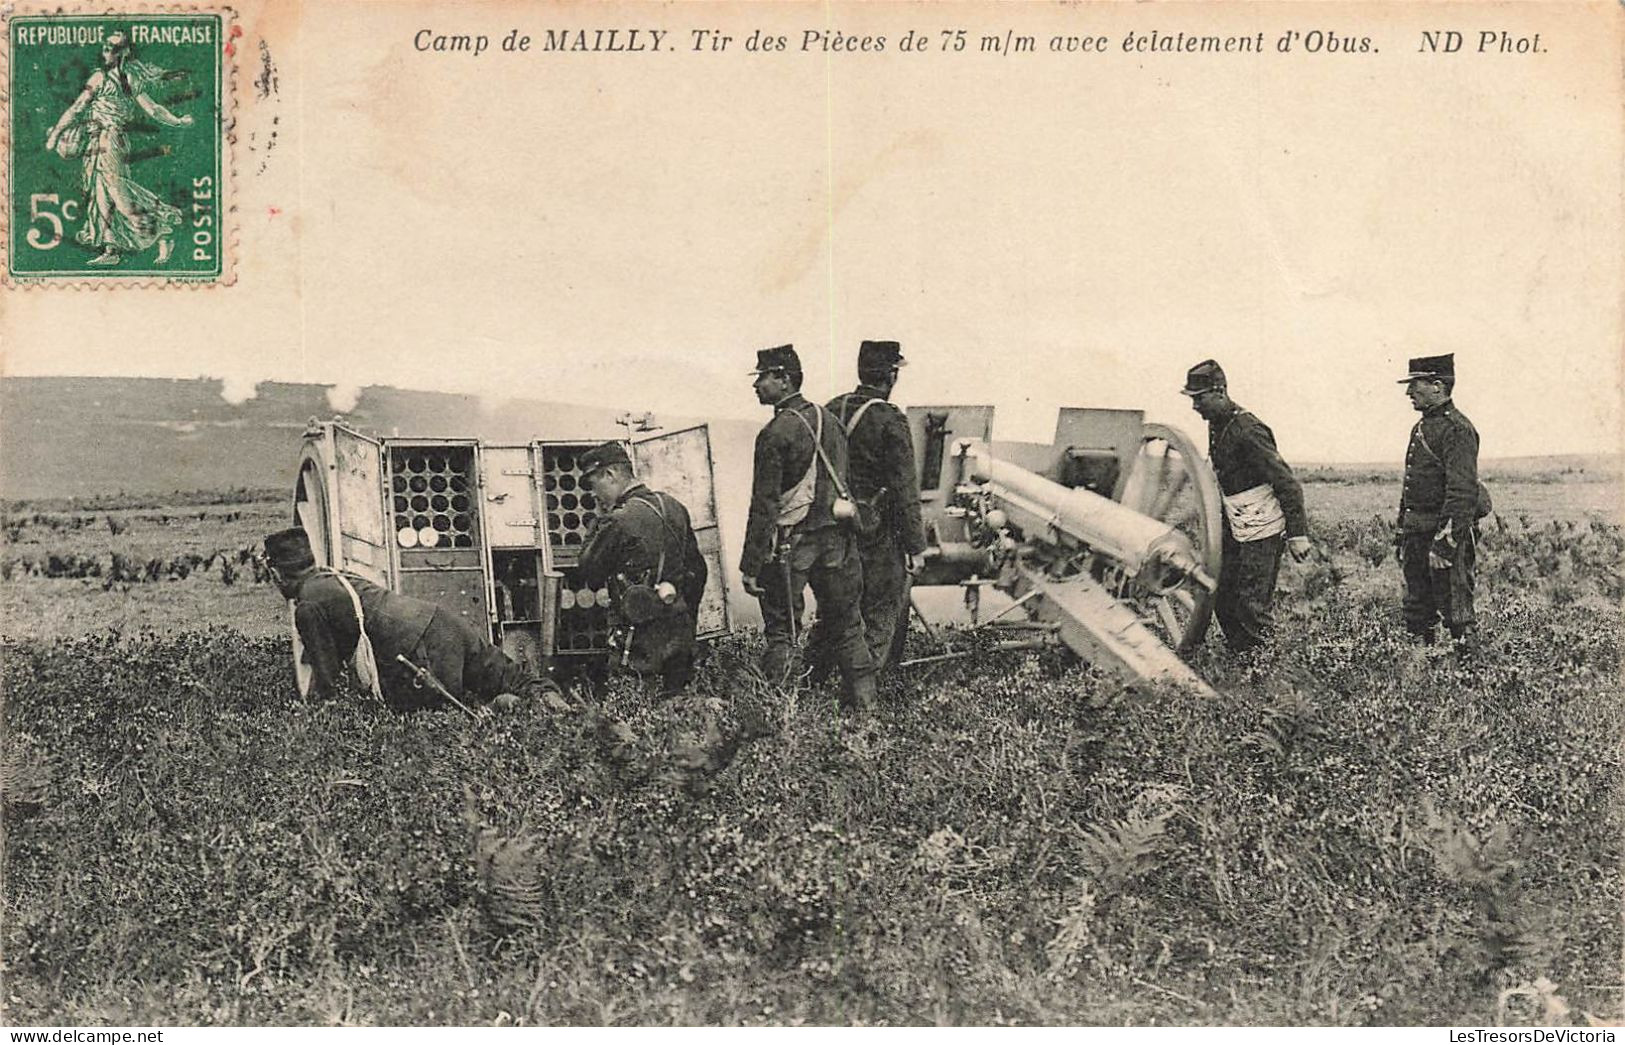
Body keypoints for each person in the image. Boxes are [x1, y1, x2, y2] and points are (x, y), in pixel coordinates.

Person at [265, 527, 555, 712]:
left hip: (419, 649)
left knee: (437, 725)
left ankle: (504, 709)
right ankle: (555, 707)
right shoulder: (333, 576)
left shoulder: (308, 604)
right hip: (439, 622)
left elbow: (327, 678)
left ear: (277, 574)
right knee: (511, 678)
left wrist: (315, 716)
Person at [739, 345, 878, 709]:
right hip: (837, 541)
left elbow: (764, 505)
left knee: (783, 631)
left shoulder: (775, 433)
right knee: (848, 625)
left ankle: (780, 716)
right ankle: (865, 710)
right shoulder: (829, 420)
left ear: (784, 379)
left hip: (793, 546)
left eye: (763, 377)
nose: (756, 386)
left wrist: (751, 565)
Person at [1181, 360, 1312, 653]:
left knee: (1252, 602)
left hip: (1264, 527)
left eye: (1199, 398)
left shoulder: (1248, 429)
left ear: (1220, 392)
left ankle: (1265, 668)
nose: (1194, 407)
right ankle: (1243, 657)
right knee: (1222, 594)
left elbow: (1287, 483)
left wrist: (1297, 534)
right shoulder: (1217, 424)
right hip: (1235, 522)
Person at [43, 31, 191, 267]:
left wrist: (178, 121)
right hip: (97, 142)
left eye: (111, 47)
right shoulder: (99, 78)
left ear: (124, 52)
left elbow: (153, 109)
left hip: (111, 141)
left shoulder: (126, 79)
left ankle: (163, 231)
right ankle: (111, 249)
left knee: (118, 195)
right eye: (104, 46)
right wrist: (57, 134)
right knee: (101, 197)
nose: (105, 50)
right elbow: (77, 108)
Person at [576, 441, 708, 696]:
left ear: (610, 474)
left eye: (593, 484)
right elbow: (698, 571)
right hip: (679, 633)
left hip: (638, 641)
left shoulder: (617, 520)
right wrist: (685, 614)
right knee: (679, 706)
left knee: (636, 711)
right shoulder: (673, 507)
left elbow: (589, 573)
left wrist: (597, 523)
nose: (594, 494)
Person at [826, 340, 926, 674]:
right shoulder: (888, 418)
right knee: (881, 613)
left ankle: (811, 687)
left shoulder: (831, 409)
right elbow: (904, 489)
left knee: (833, 613)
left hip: (831, 532)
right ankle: (863, 696)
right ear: (891, 375)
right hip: (875, 534)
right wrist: (915, 546)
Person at [1396, 353, 1482, 655]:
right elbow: (1410, 489)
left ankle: (1472, 681)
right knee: (1418, 610)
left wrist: (1445, 544)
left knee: (1456, 611)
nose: (1409, 392)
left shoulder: (1458, 429)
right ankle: (1425, 674)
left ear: (1437, 385)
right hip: (1417, 533)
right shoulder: (1420, 428)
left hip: (1445, 535)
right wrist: (1401, 534)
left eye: (1414, 384)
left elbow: (1462, 492)